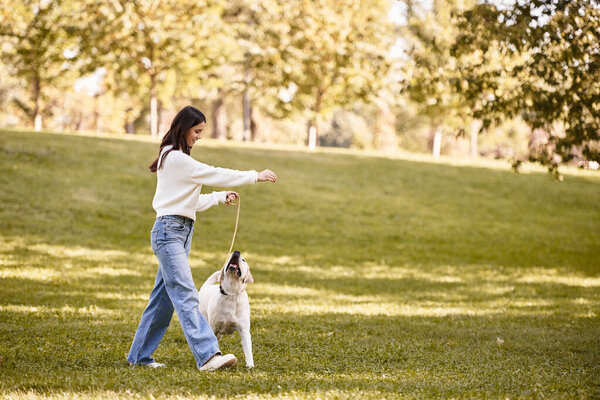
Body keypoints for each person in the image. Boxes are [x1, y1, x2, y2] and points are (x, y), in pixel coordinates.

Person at [127, 105, 277, 371]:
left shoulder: (175, 160)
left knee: (162, 300)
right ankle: (208, 356)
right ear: (184, 128)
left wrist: (220, 197)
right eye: (197, 131)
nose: (199, 136)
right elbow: (214, 173)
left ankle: (138, 357)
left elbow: (189, 201)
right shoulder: (176, 159)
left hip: (179, 232)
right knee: (187, 295)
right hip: (169, 233)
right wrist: (255, 176)